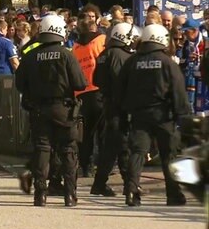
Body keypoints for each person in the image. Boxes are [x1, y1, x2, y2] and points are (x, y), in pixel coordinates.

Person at [15, 14, 87, 207]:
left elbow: (19, 83)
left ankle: (40, 194)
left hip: (39, 109)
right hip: (64, 109)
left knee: (42, 150)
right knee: (68, 150)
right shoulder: (66, 54)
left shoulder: (31, 55)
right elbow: (80, 83)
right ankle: (70, 195)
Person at [116, 23, 190, 207]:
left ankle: (132, 192)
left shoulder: (131, 62)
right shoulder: (168, 63)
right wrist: (184, 116)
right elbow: (178, 92)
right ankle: (173, 194)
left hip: (139, 116)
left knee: (138, 153)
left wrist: (122, 116)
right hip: (164, 116)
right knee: (168, 155)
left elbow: (120, 91)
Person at [90, 22, 140, 197]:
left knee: (114, 147)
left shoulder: (105, 54)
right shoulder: (121, 55)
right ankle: (127, 185)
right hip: (120, 107)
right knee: (121, 146)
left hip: (109, 105)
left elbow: (96, 80)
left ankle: (105, 183)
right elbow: (121, 82)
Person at [72, 18, 106, 177]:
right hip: (99, 89)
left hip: (82, 92)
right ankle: (103, 165)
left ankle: (86, 165)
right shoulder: (102, 41)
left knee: (86, 133)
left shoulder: (76, 47)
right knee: (103, 132)